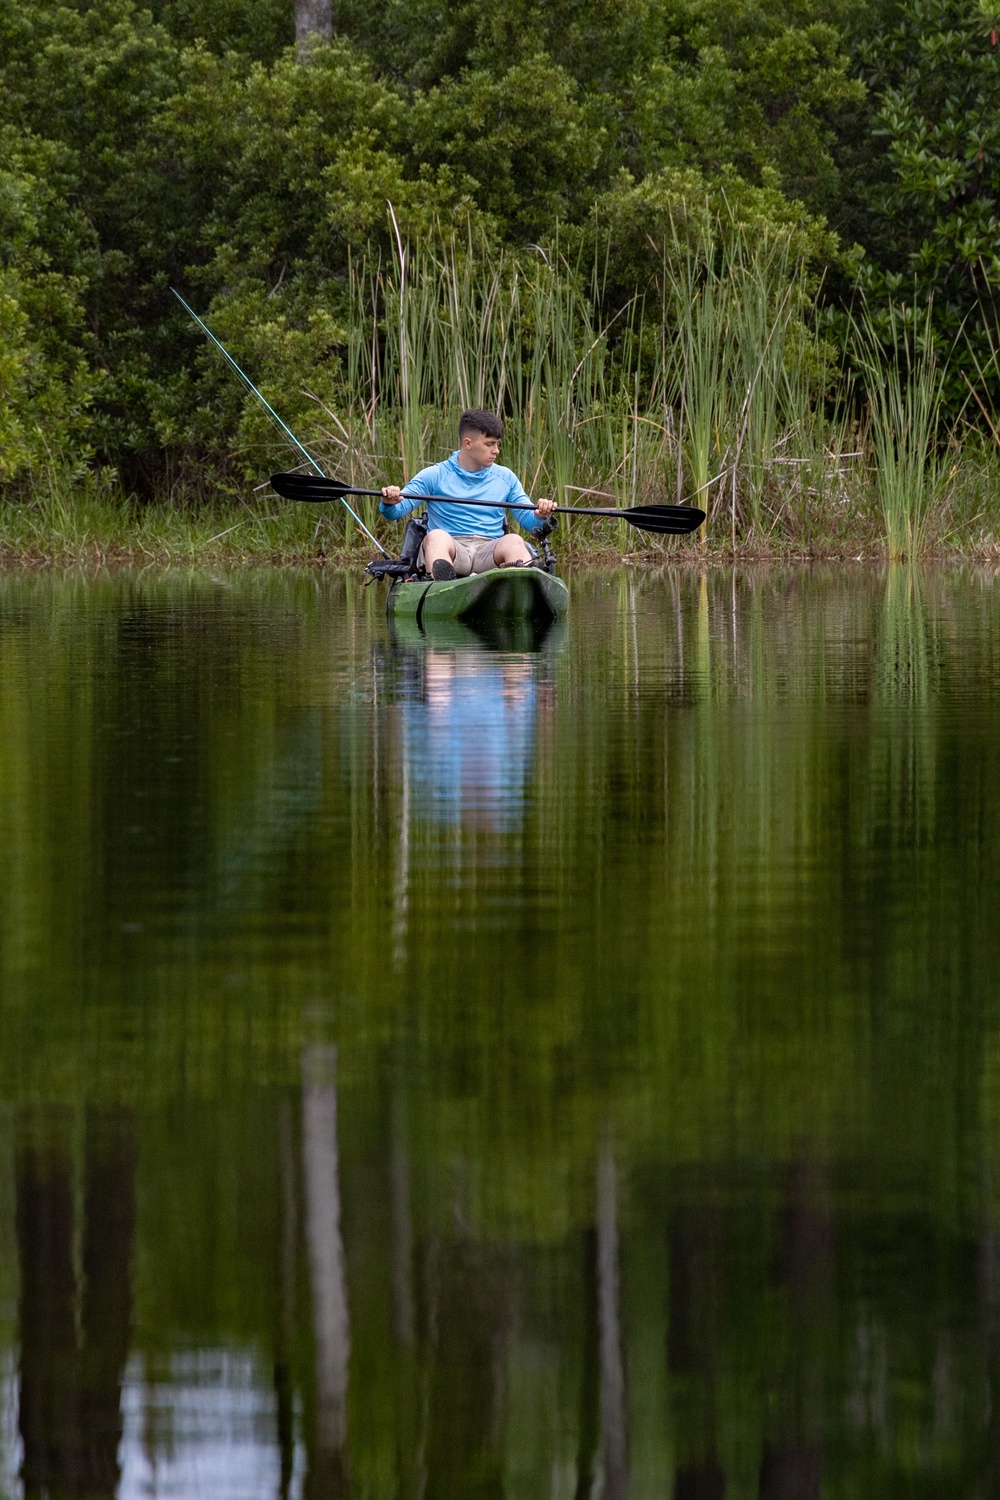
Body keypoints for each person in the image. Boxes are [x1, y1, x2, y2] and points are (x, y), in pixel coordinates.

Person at [380, 409, 557, 580]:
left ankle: (521, 591)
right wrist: (389, 502)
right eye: (489, 444)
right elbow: (395, 512)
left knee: (514, 540)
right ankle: (441, 589)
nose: (496, 450)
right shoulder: (434, 475)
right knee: (436, 537)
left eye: (497, 444)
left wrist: (540, 515)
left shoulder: (506, 478)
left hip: (489, 551)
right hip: (453, 549)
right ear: (468, 443)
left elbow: (529, 522)